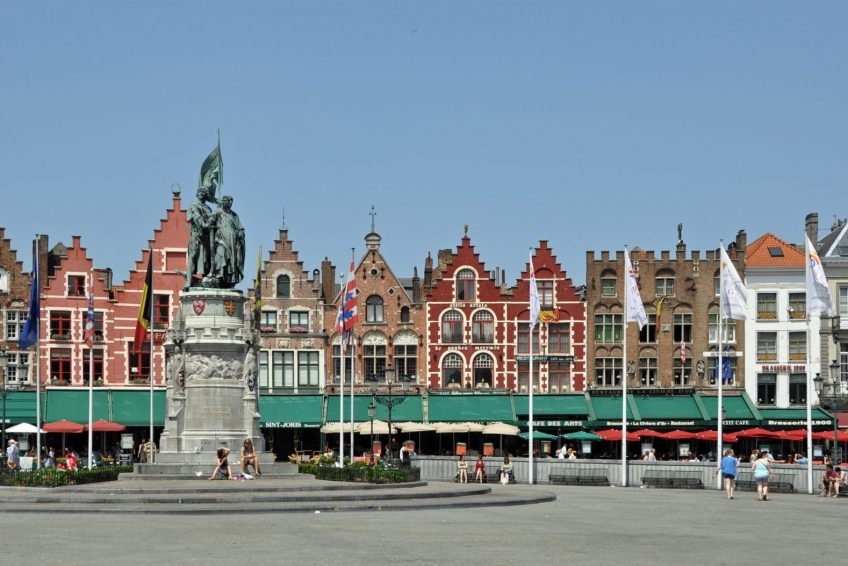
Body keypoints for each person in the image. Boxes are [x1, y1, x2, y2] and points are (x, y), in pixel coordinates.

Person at [209, 195, 245, 288]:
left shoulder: (234, 215)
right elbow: (209, 223)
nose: (229, 203)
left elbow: (240, 228)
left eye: (231, 201)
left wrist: (241, 233)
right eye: (227, 200)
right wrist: (211, 219)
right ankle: (218, 276)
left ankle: (229, 281)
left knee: (232, 261)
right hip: (220, 239)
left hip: (232, 243)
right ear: (222, 201)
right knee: (221, 254)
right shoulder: (217, 212)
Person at [185, 186, 214, 289]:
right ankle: (188, 281)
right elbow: (195, 215)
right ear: (197, 194)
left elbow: (212, 220)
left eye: (204, 192)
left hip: (207, 238)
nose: (202, 193)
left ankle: (206, 282)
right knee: (192, 256)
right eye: (200, 191)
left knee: (206, 261)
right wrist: (203, 223)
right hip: (196, 235)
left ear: (206, 195)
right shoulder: (193, 204)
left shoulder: (209, 209)